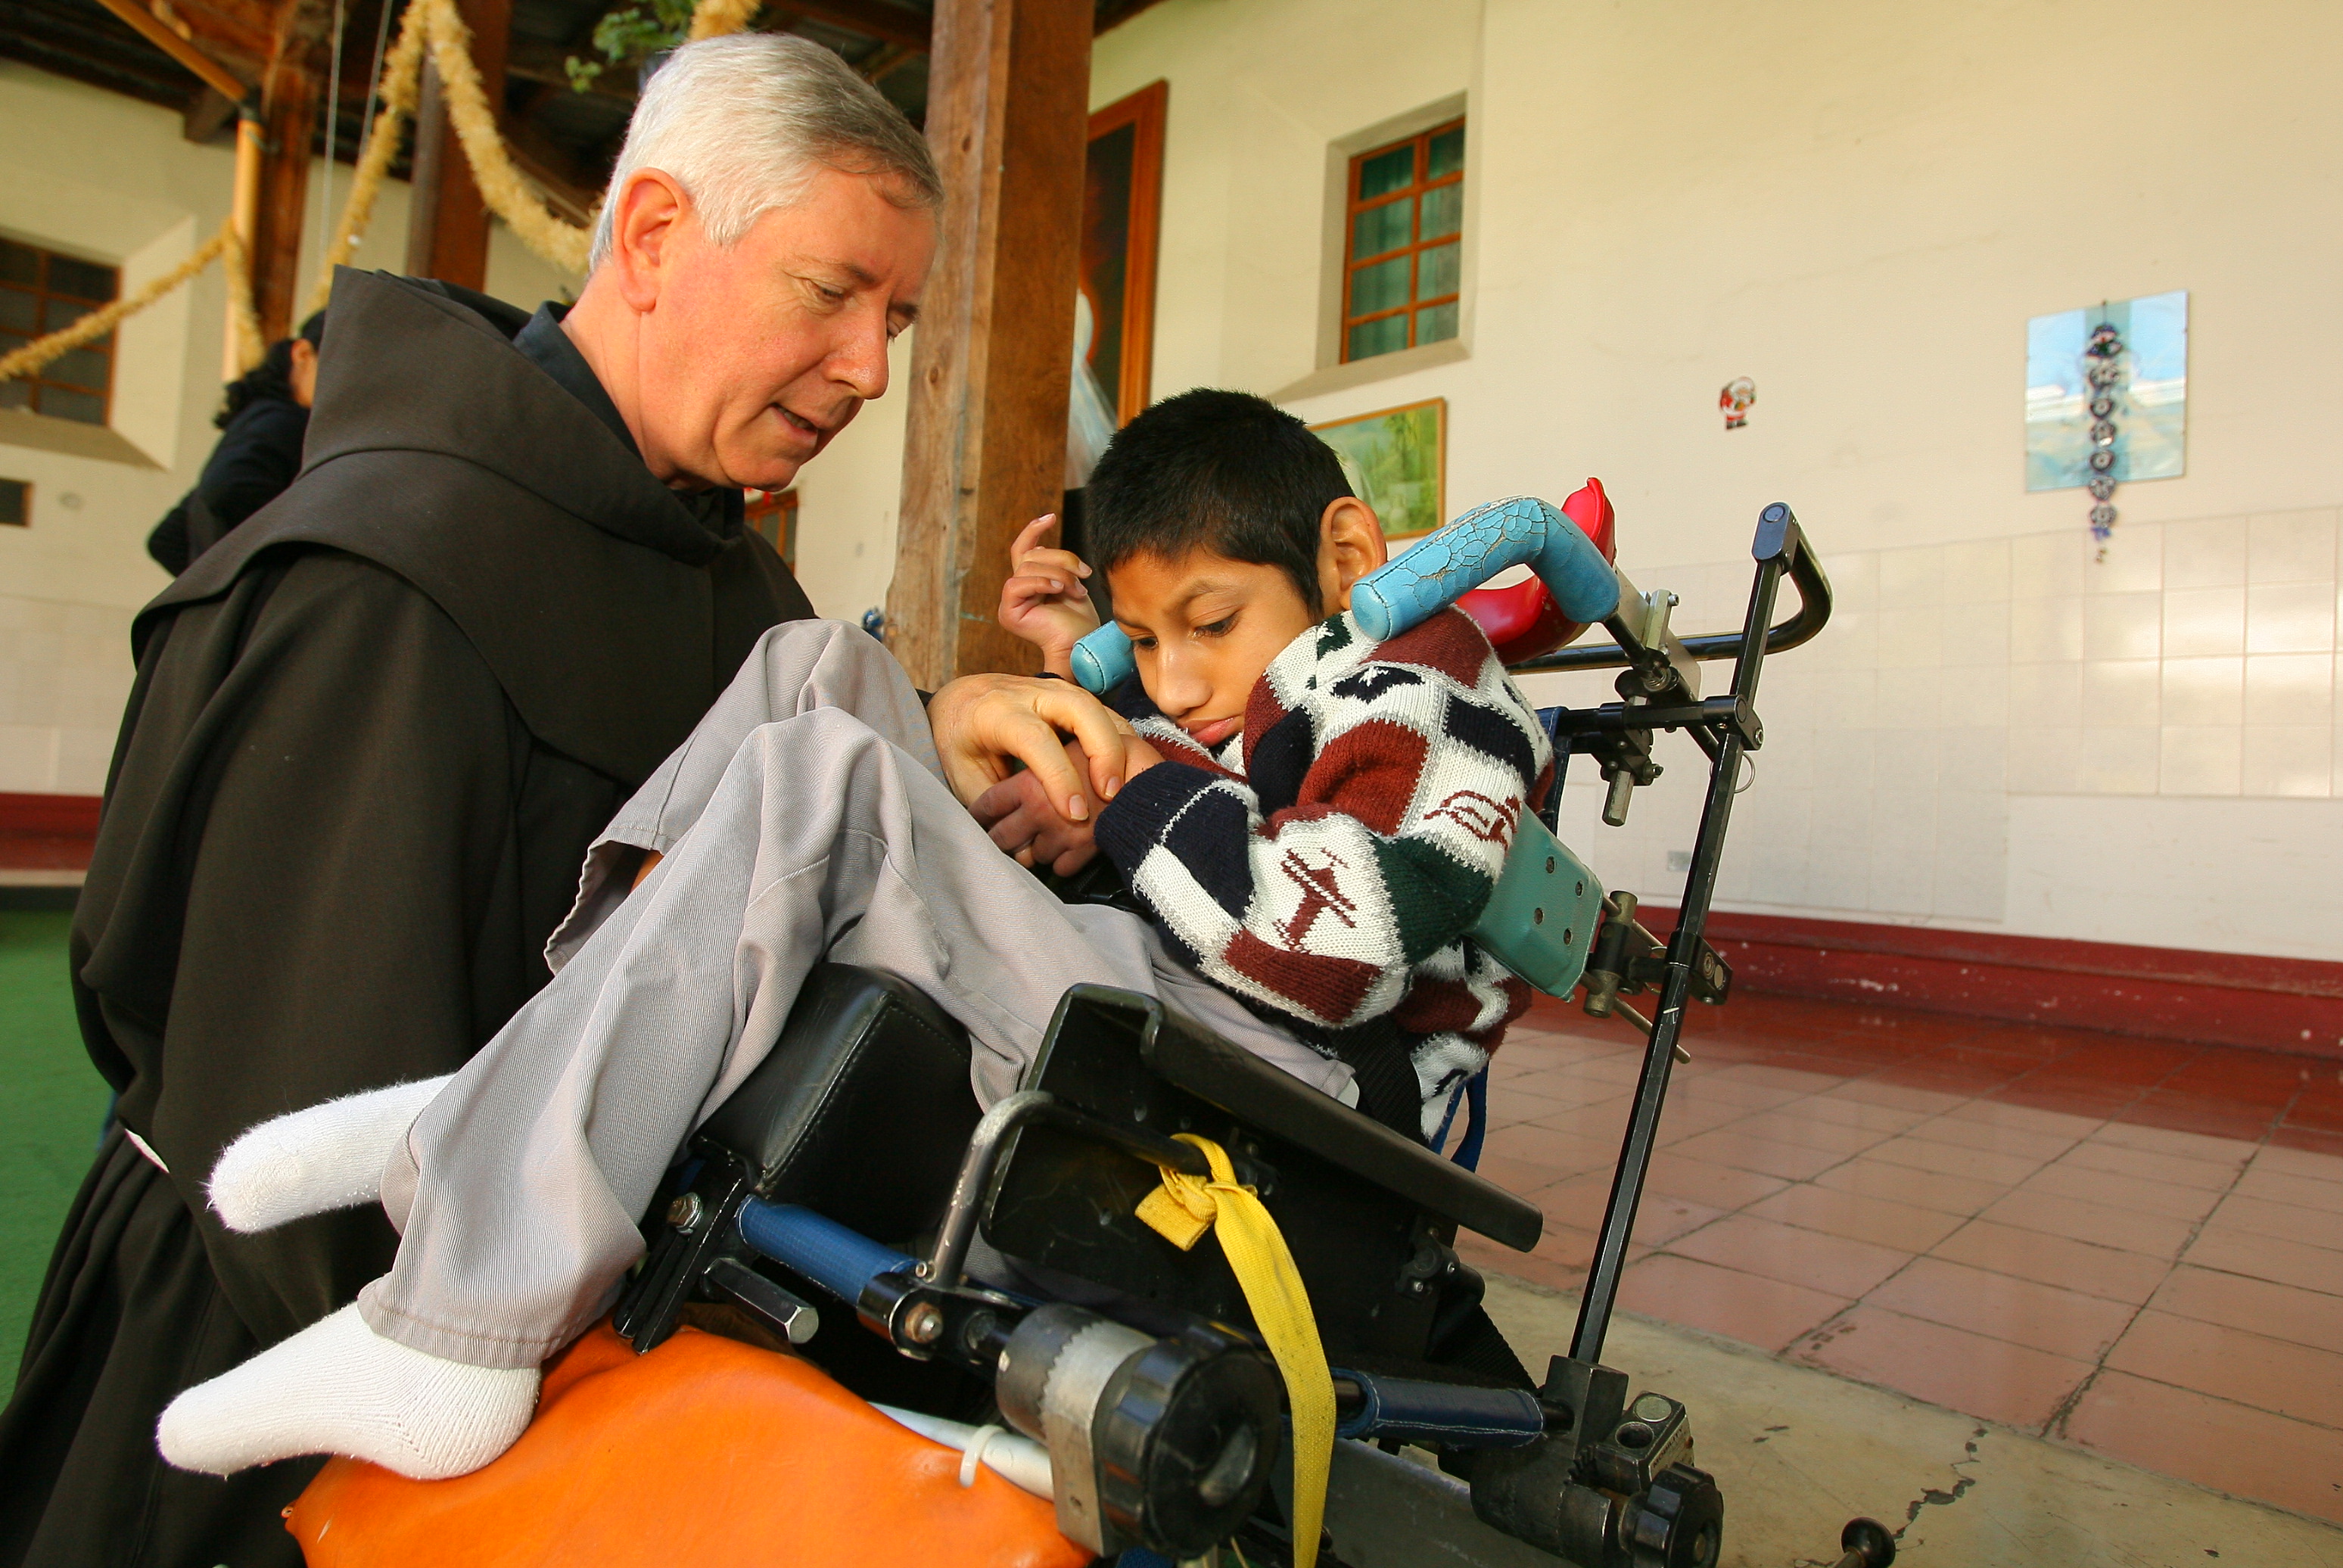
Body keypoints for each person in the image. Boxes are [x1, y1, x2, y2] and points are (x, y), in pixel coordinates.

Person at [0, 32, 1075, 1568]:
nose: (870, 368)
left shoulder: (723, 566)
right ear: (649, 236)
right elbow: (299, 1138)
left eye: (895, 316)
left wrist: (931, 740)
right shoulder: (382, 582)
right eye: (830, 292)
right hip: (280, 1396)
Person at [151, 388, 1554, 1487]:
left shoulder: (1433, 694)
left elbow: (1348, 944)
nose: (1178, 672)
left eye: (1208, 622)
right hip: (1165, 1010)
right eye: (1149, 631)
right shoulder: (1246, 703)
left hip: (1284, 1097)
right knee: (811, 668)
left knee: (828, 780)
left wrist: (1134, 784)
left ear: (1350, 554)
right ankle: (511, 1099)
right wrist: (1093, 738)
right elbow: (1197, 798)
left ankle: (457, 1327)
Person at [145, 312, 325, 575]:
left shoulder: (261, 419)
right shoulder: (285, 423)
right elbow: (228, 492)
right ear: (302, 354)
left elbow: (168, 538)